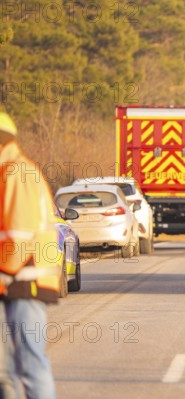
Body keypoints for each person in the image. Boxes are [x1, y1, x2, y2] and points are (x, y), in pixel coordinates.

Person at [0, 112, 59, 399]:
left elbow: (20, 236)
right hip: (14, 280)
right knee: (5, 369)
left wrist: (3, 274)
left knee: (30, 362)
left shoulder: (16, 172)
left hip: (25, 280)